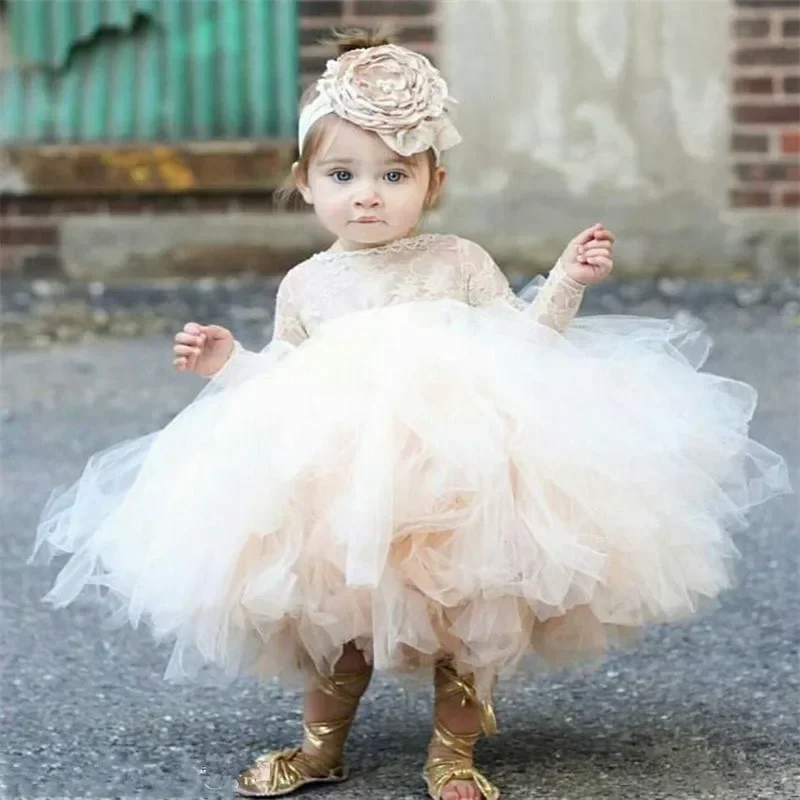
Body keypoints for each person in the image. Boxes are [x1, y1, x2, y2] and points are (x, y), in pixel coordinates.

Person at [29, 31, 792, 800]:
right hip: (342, 484)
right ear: (305, 182)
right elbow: (283, 383)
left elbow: (523, 341)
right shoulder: (307, 284)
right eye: (342, 173)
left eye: (394, 173)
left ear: (433, 182)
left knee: (471, 607)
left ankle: (452, 754)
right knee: (340, 616)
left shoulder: (457, 259)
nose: (368, 192)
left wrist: (566, 280)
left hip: (462, 476)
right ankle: (321, 748)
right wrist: (228, 362)